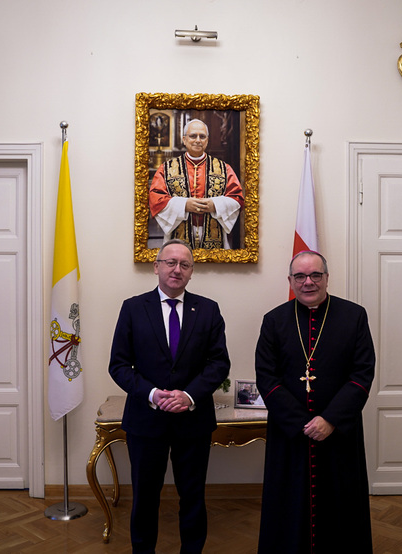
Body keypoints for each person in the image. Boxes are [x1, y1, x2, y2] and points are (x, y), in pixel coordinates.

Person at [108, 238, 231, 553]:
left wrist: (189, 396)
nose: (177, 269)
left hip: (193, 420)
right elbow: (119, 365)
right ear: (156, 267)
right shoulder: (133, 308)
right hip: (146, 421)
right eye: (171, 263)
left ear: (191, 272)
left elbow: (219, 364)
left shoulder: (208, 309)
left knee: (193, 495)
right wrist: (152, 393)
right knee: (145, 496)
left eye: (185, 265)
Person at [254, 250, 376, 553]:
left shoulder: (354, 316)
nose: (308, 282)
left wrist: (329, 419)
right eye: (300, 276)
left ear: (326, 278)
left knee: (341, 504)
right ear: (290, 281)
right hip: (290, 435)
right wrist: (302, 424)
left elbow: (362, 374)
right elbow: (267, 379)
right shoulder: (274, 320)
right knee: (288, 503)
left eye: (315, 275)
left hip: (338, 433)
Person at [149, 119, 244, 250]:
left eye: (202, 136)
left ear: (207, 140)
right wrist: (184, 205)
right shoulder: (167, 169)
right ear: (184, 139)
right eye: (193, 136)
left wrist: (215, 205)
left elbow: (237, 198)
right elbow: (155, 199)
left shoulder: (224, 168)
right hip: (178, 233)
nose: (198, 140)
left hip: (214, 236)